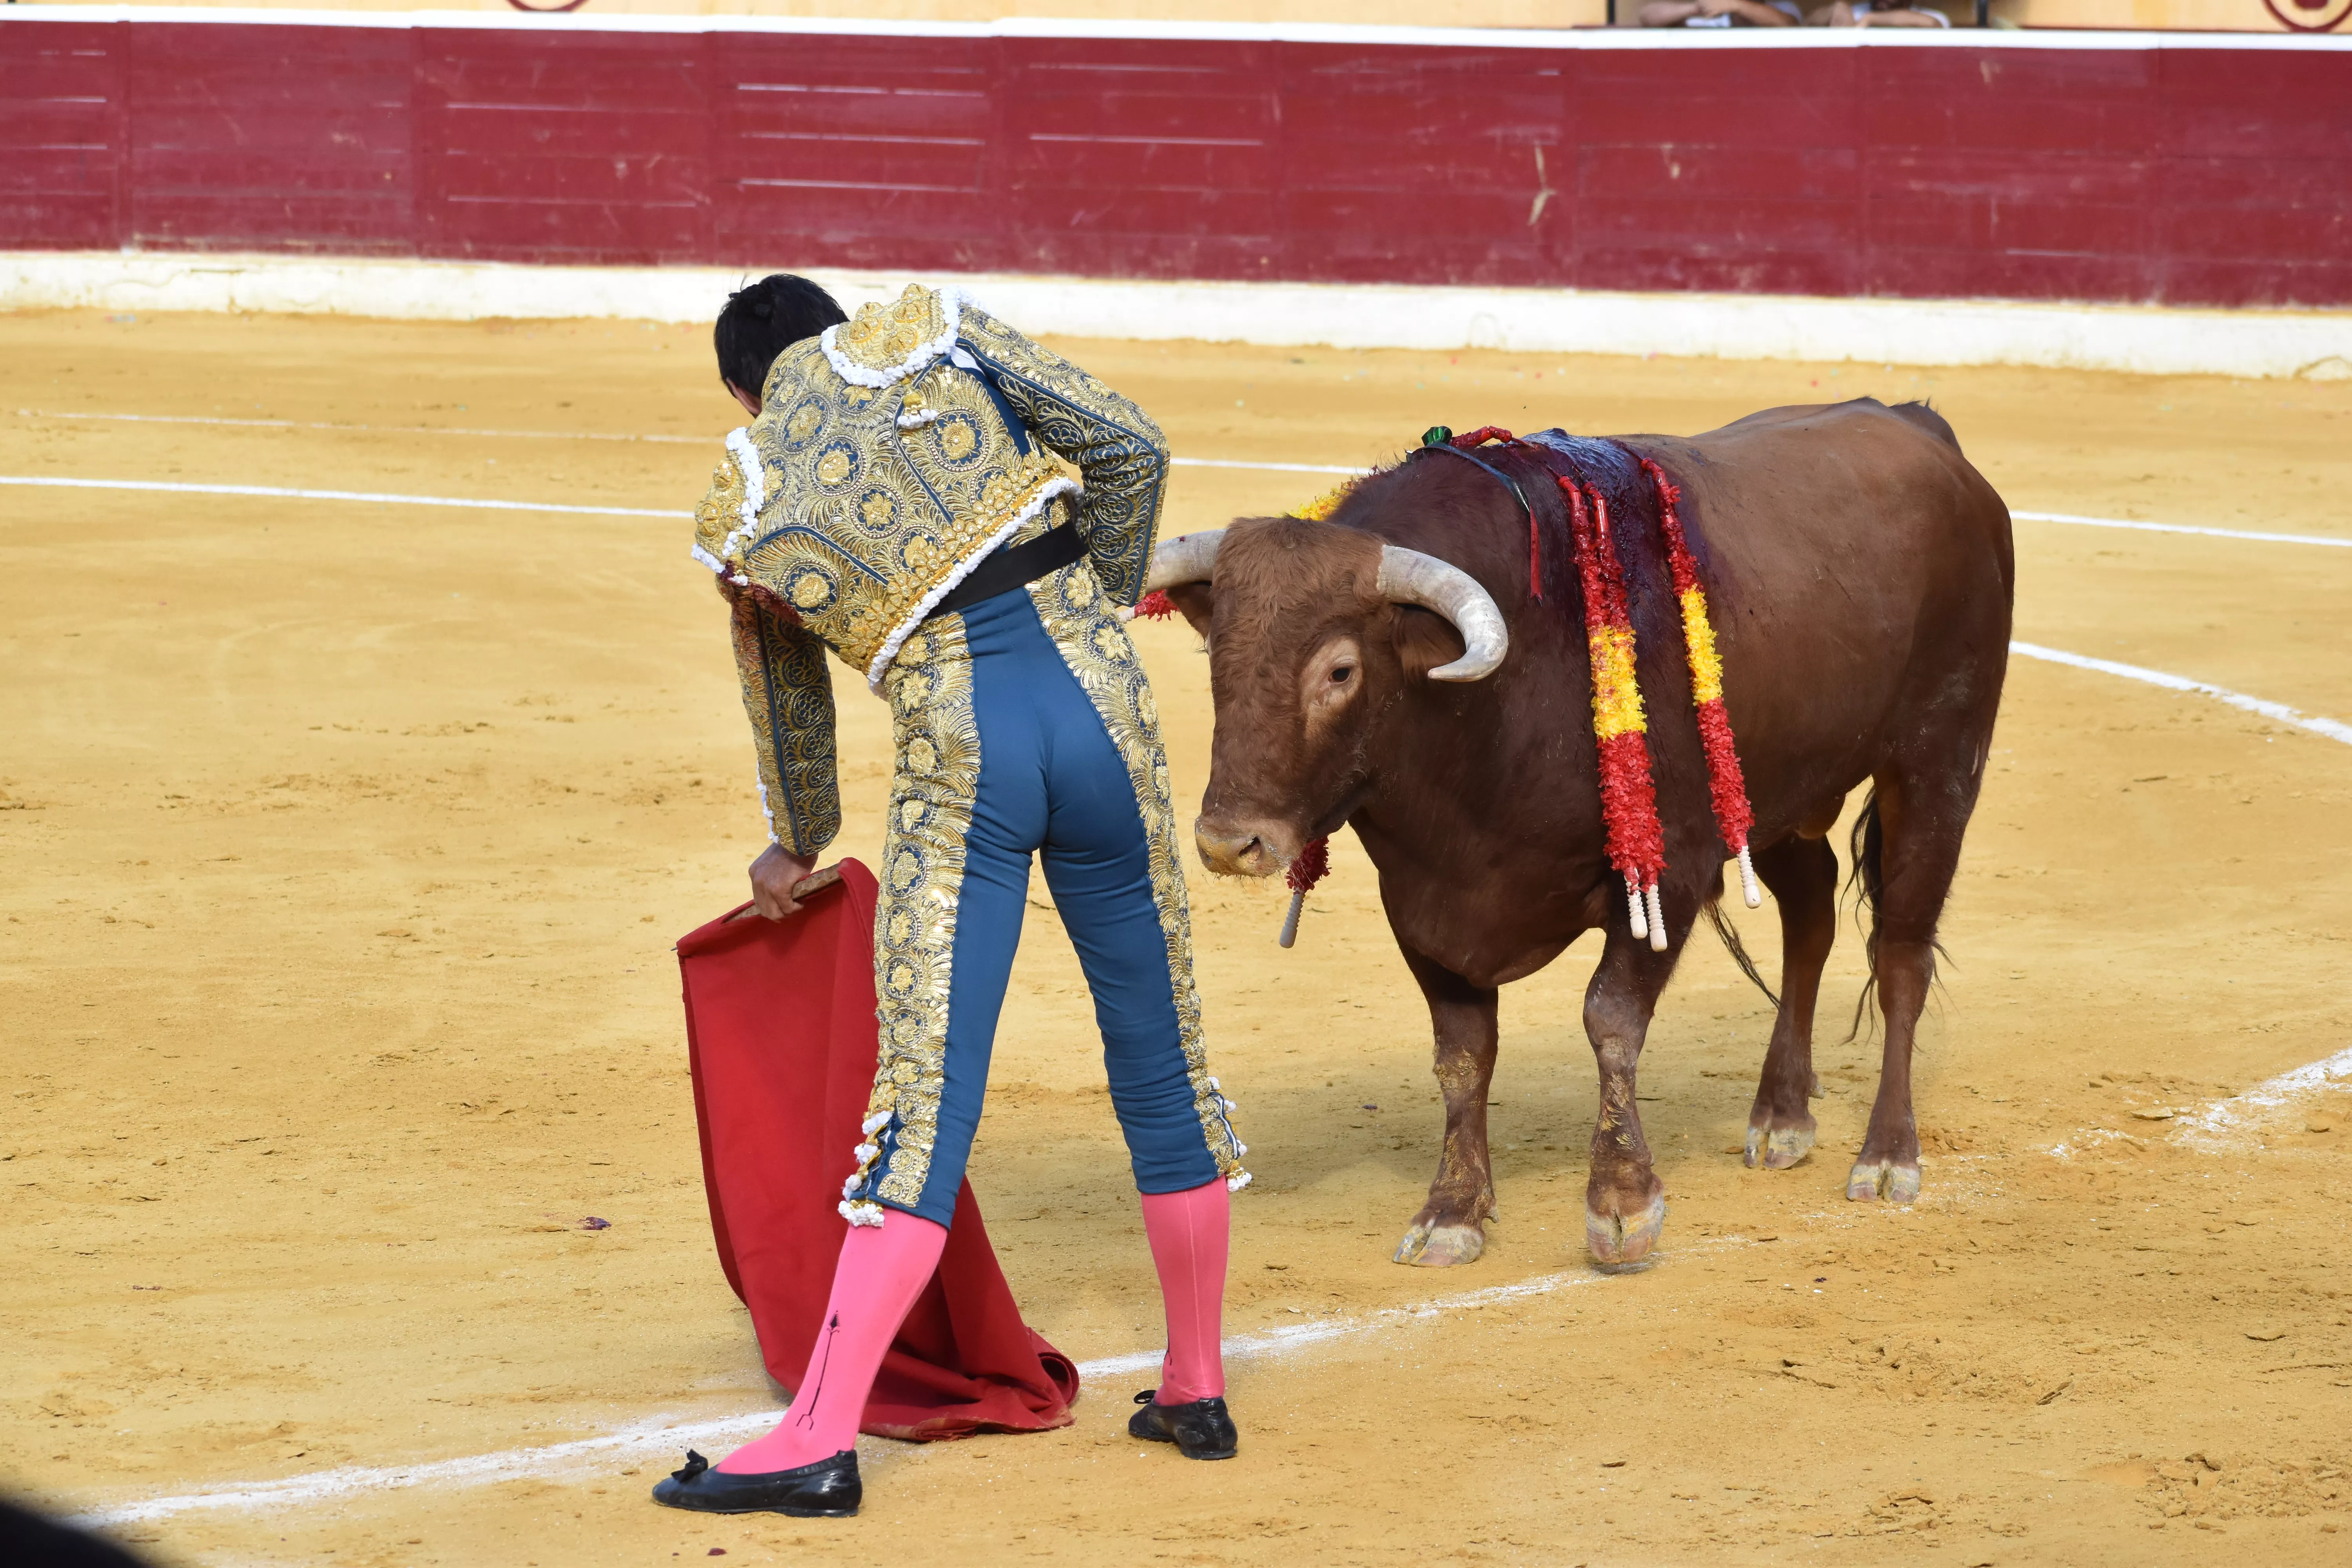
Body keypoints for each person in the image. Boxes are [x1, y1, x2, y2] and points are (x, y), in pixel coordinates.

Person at [653, 275, 1250, 1519]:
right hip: (1099, 713)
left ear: (737, 390)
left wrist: (796, 841)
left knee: (924, 1099)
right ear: (833, 323)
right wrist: (1092, 593)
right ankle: (1194, 1381)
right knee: (1160, 1058)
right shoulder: (929, 333)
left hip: (961, 757)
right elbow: (1127, 444)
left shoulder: (750, 492)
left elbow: (786, 696)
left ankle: (817, 1436)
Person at [1638, 0, 1798, 26]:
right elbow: (1648, 18)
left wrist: (1737, 6)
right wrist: (1696, 9)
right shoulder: (1702, 9)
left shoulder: (1780, 7)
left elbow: (1789, 24)